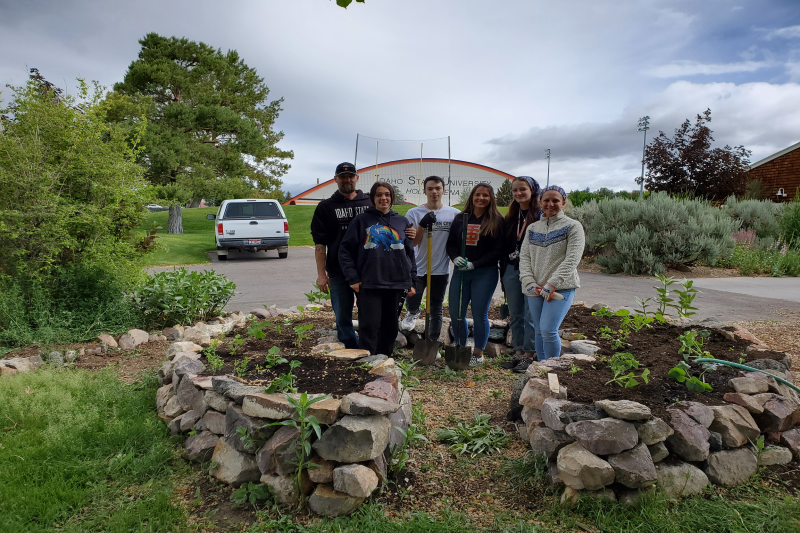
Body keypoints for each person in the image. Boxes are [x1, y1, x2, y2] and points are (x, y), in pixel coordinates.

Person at [338, 181, 418, 356]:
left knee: (390, 327)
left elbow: (409, 254)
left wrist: (411, 280)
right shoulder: (361, 221)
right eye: (379, 195)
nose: (383, 198)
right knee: (369, 326)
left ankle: (384, 361)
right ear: (373, 198)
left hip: (396, 283)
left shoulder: (402, 221)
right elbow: (344, 250)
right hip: (370, 283)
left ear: (392, 197)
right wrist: (353, 277)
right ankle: (368, 364)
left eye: (387, 194)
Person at [518, 185, 586, 361]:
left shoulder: (573, 227)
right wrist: (528, 281)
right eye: (546, 200)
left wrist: (552, 284)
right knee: (540, 331)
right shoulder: (533, 228)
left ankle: (553, 369)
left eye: (555, 200)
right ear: (540, 202)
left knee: (548, 330)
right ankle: (541, 369)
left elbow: (572, 259)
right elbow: (524, 257)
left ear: (563, 203)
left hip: (560, 288)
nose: (550, 204)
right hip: (534, 289)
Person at [310, 162, 373, 349]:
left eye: (351, 176)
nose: (347, 179)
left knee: (369, 312)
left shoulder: (369, 203)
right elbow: (320, 244)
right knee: (342, 315)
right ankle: (351, 350)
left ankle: (370, 348)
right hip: (338, 271)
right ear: (336, 179)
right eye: (343, 176)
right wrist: (322, 274)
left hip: (367, 270)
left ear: (357, 178)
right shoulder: (325, 207)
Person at [446, 183, 505, 367]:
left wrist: (475, 264)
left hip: (484, 273)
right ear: (472, 196)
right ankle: (460, 347)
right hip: (461, 273)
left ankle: (478, 353)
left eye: (485, 195)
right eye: (477, 195)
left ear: (491, 198)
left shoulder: (496, 220)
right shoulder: (461, 218)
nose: (481, 198)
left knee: (479, 314)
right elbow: (451, 244)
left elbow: (498, 250)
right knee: (456, 312)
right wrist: (455, 258)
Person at [401, 176, 460, 340]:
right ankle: (412, 313)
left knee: (436, 307)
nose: (434, 192)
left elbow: (457, 241)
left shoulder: (454, 214)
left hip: (441, 269)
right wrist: (422, 225)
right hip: (418, 267)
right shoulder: (414, 213)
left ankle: (433, 341)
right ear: (425, 191)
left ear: (443, 190)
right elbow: (413, 243)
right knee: (412, 300)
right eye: (430, 189)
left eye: (438, 188)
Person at [499, 176, 542, 373]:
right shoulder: (512, 215)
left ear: (532, 190)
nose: (518, 193)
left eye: (522, 189)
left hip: (532, 271)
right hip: (511, 267)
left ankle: (529, 354)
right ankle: (518, 352)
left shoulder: (541, 215)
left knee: (529, 313)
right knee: (515, 313)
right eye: (515, 190)